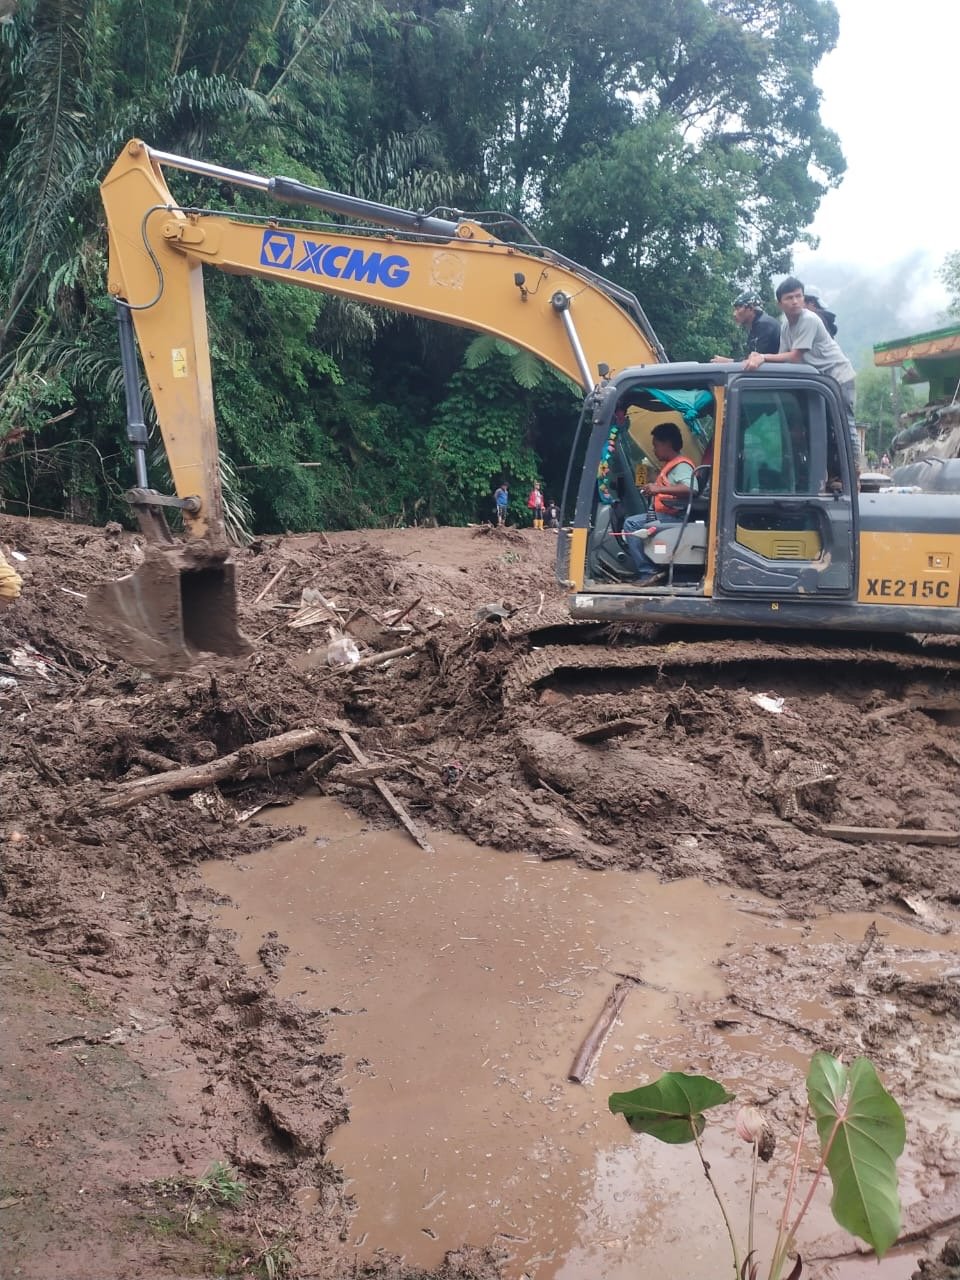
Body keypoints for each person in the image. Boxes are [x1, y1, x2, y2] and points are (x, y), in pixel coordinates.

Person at [743, 276, 859, 466]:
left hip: (838, 376)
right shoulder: (786, 325)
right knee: (824, 426)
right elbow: (782, 358)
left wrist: (762, 357)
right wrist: (754, 362)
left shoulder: (808, 320)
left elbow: (795, 356)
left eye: (799, 296)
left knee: (845, 425)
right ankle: (830, 472)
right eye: (789, 297)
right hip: (821, 382)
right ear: (779, 303)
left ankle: (854, 473)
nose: (795, 301)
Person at [620, 422, 695, 585]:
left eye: (656, 445)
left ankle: (647, 572)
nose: (654, 450)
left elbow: (690, 489)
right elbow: (664, 485)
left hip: (677, 517)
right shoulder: (669, 466)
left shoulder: (681, 465)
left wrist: (657, 488)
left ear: (667, 444)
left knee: (631, 524)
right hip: (669, 514)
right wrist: (650, 483)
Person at [711, 289, 780, 362]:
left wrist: (728, 362)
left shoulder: (764, 325)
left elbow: (754, 361)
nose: (734, 314)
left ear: (750, 308)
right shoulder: (757, 325)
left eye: (738, 309)